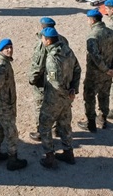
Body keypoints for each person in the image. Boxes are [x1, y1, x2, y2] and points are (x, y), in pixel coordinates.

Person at [30, 27, 81, 169]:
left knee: (44, 125)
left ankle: (49, 157)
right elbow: (77, 69)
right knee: (65, 126)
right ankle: (68, 153)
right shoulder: (67, 50)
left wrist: (65, 92)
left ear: (47, 40)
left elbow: (55, 83)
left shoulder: (52, 58)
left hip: (54, 99)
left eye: (42, 38)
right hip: (67, 98)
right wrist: (73, 89)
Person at [0, 38, 27, 171]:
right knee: (11, 132)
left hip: (1, 104)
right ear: (1, 50)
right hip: (4, 105)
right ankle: (12, 159)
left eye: (11, 47)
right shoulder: (2, 65)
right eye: (6, 48)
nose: (9, 49)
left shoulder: (3, 62)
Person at [78, 9, 113, 133]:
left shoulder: (93, 36)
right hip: (108, 74)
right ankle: (103, 119)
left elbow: (95, 56)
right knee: (104, 95)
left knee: (89, 97)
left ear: (92, 20)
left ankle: (91, 123)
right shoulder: (111, 33)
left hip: (95, 74)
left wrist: (106, 69)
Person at [28, 17, 68, 139]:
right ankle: (56, 130)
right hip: (60, 77)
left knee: (40, 104)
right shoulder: (62, 39)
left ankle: (41, 132)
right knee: (56, 105)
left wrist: (32, 79)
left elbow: (38, 64)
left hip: (44, 79)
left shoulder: (43, 42)